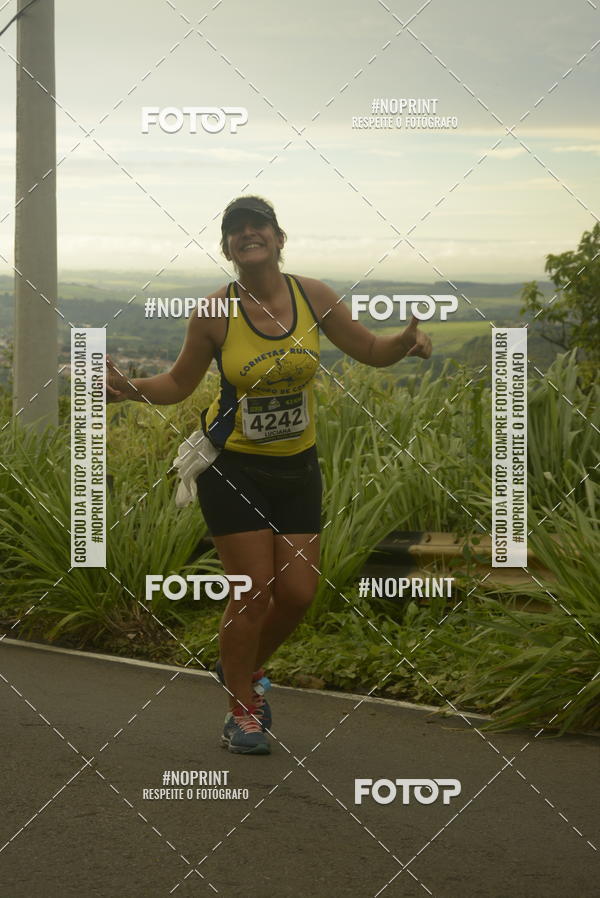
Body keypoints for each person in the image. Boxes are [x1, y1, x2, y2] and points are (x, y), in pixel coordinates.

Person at [106, 195, 432, 755]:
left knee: (300, 592)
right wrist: (130, 388)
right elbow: (180, 384)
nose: (248, 234)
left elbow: (370, 350)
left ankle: (239, 666)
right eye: (236, 230)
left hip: (297, 468)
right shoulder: (214, 314)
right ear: (227, 248)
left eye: (258, 226)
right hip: (231, 467)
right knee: (252, 594)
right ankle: (242, 710)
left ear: (279, 238)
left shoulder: (314, 296)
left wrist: (403, 343)